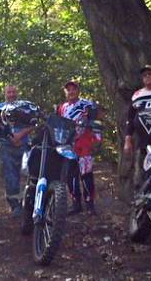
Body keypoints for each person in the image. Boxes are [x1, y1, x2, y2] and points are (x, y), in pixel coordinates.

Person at [0, 85, 37, 217]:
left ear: (17, 93)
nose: (11, 94)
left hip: (25, 144)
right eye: (8, 92)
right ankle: (15, 205)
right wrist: (11, 137)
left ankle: (31, 202)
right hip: (6, 145)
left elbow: (34, 123)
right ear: (4, 94)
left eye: (13, 92)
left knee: (30, 172)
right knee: (10, 176)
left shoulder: (26, 107)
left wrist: (20, 135)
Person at [57, 80, 101, 215]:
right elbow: (58, 126)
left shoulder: (87, 105)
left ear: (78, 90)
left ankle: (90, 204)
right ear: (65, 92)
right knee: (71, 176)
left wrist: (97, 138)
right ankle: (76, 204)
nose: (71, 92)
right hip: (68, 146)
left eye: (73, 89)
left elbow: (97, 120)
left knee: (86, 175)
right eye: (68, 89)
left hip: (84, 144)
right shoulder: (62, 108)